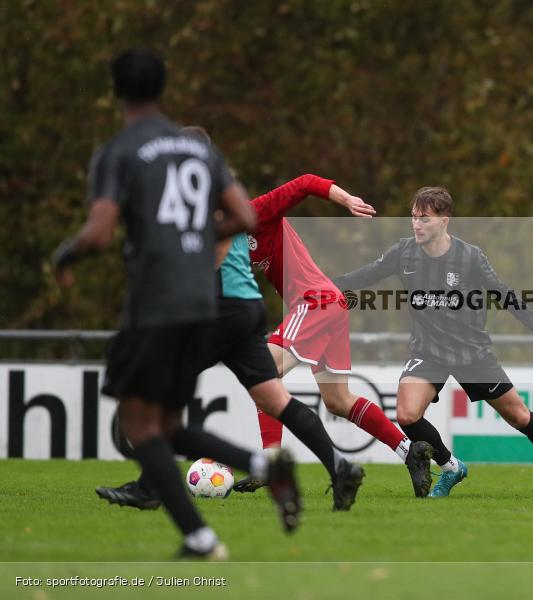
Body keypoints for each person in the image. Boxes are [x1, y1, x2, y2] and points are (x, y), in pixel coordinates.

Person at [52, 49, 300, 560]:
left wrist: (65, 255)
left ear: (116, 91)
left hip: (155, 302)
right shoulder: (199, 153)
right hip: (200, 301)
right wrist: (196, 233)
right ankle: (258, 473)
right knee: (164, 426)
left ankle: (203, 534)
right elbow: (246, 218)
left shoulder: (119, 151)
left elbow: (98, 232)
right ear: (161, 87)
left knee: (138, 426)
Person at [94, 126, 366, 513]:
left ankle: (152, 486)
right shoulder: (225, 185)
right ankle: (340, 468)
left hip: (216, 309)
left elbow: (212, 248)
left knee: (152, 396)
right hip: (245, 309)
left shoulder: (193, 190)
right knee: (275, 398)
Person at [330, 187, 533, 498]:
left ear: (444, 221)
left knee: (520, 417)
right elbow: (364, 275)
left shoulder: (469, 256)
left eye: (424, 218)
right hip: (428, 350)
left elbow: (501, 291)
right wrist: (319, 286)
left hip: (471, 352)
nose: (416, 224)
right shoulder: (403, 252)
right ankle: (451, 467)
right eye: (413, 217)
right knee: (407, 414)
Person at [236, 171, 434, 497]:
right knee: (338, 401)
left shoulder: (255, 212)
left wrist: (346, 200)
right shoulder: (219, 237)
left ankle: (271, 461)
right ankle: (408, 451)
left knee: (263, 372)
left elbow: (304, 183)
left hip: (316, 302)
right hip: (329, 304)